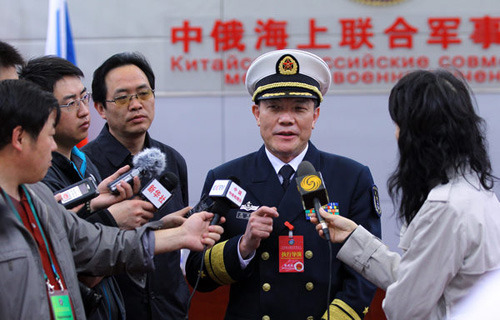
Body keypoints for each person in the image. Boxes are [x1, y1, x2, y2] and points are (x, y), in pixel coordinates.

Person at [0, 79, 223, 320]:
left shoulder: (38, 199)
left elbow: (98, 244)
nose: (53, 146)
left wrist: (179, 235)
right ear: (19, 138)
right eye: (49, 136)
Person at [185, 49, 382, 320]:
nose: (286, 119)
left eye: (299, 108)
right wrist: (243, 246)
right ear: (257, 113)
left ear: (315, 116)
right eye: (274, 107)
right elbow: (198, 273)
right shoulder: (226, 178)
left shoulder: (351, 177)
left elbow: (368, 271)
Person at [311, 69, 500, 320]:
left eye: (399, 125)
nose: (396, 134)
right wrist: (353, 238)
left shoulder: (445, 207)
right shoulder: (477, 194)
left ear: (419, 135)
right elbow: (419, 278)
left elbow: (404, 307)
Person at [20, 56, 162, 319]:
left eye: (83, 98)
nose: (84, 111)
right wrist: (113, 221)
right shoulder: (36, 177)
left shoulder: (83, 162)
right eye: (71, 103)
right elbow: (72, 258)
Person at [82, 52, 190, 319]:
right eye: (122, 97)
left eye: (143, 94)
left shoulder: (172, 160)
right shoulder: (84, 167)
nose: (136, 105)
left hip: (169, 310)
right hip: (112, 311)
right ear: (100, 108)